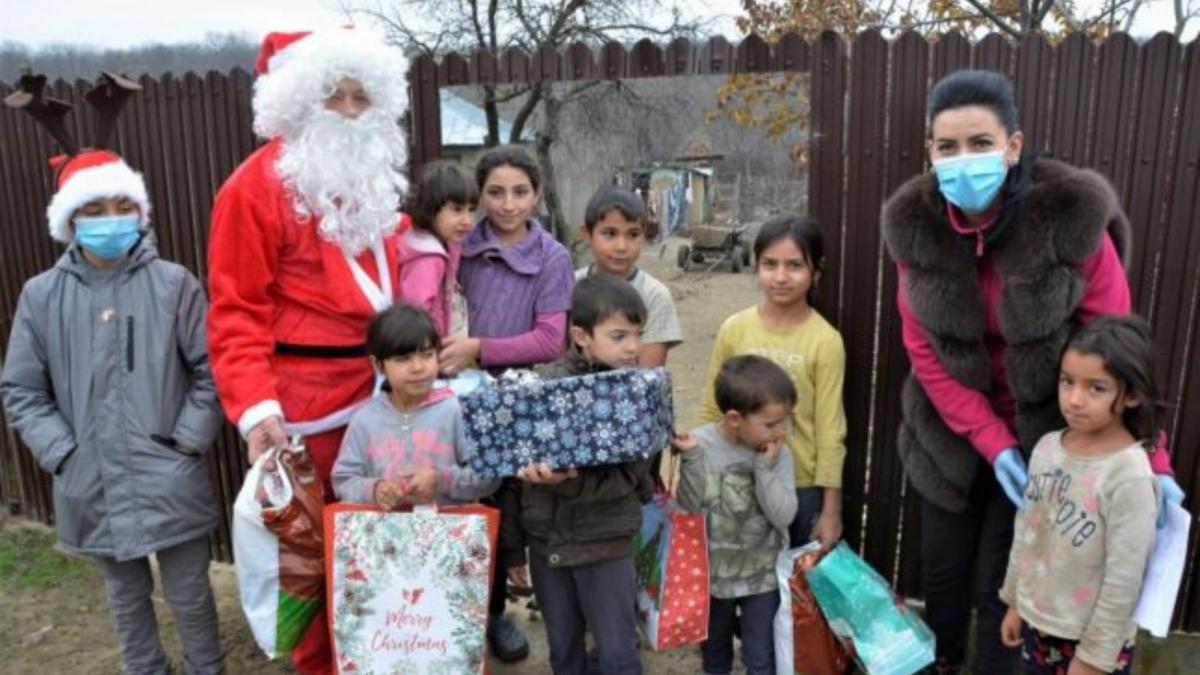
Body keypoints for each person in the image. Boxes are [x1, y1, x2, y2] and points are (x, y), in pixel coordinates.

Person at [880, 69, 1181, 675]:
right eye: (947, 147)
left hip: (1050, 440)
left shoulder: (1069, 222)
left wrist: (1153, 458)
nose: (963, 160)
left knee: (1007, 588)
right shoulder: (917, 230)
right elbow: (927, 357)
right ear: (930, 152)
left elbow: (1116, 352)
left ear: (1013, 146)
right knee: (941, 579)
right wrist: (989, 441)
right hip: (949, 433)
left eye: (980, 143)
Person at [205, 28, 410, 674]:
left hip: (385, 397)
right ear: (297, 102)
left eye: (360, 97)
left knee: (383, 548)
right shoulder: (251, 189)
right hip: (308, 414)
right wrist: (256, 408)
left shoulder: (374, 181)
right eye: (333, 96)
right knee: (315, 566)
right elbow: (235, 312)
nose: (349, 111)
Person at [1, 149, 224, 675]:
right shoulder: (41, 296)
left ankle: (207, 668)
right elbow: (21, 388)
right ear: (70, 219)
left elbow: (212, 370)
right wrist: (64, 453)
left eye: (123, 207)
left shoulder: (174, 284)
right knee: (125, 598)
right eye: (94, 209)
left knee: (191, 593)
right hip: (91, 477)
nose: (110, 220)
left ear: (140, 212)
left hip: (168, 471)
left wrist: (187, 441)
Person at [441, 145, 574, 661]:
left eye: (520, 192)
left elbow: (550, 340)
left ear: (536, 194)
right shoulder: (460, 246)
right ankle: (465, 612)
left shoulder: (552, 258)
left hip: (519, 399)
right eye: (495, 192)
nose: (508, 204)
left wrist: (479, 348)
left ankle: (507, 613)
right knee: (471, 505)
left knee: (515, 510)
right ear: (479, 195)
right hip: (456, 396)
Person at [501, 275, 655, 674]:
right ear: (581, 336)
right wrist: (514, 549)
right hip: (547, 547)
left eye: (637, 335)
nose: (633, 347)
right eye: (619, 336)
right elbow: (511, 479)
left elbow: (632, 479)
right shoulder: (537, 388)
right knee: (564, 651)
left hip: (606, 546)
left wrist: (570, 482)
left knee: (618, 654)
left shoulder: (638, 393)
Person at [999, 316, 1161, 675]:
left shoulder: (1128, 476)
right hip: (1038, 626)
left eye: (1096, 388)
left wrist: (1092, 657)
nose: (1074, 399)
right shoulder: (1046, 449)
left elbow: (1125, 578)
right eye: (1067, 381)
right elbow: (1027, 531)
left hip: (1093, 642)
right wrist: (1015, 602)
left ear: (1132, 395)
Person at [699, 215, 847, 551]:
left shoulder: (825, 341)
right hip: (735, 477)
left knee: (790, 578)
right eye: (770, 264)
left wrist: (830, 510)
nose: (780, 277)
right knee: (736, 575)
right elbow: (712, 408)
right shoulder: (734, 329)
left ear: (816, 271)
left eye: (794, 265)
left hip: (800, 486)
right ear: (756, 266)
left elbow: (830, 430)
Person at [674, 355, 798, 675]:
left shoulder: (777, 454)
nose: (779, 432)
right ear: (734, 419)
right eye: (770, 424)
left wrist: (765, 469)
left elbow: (783, 516)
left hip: (762, 577)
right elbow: (688, 507)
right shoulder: (701, 445)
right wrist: (691, 460)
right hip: (711, 578)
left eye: (783, 422)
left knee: (761, 657)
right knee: (715, 653)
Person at [331, 304, 498, 506]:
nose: (418, 367)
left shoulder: (457, 411)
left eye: (427, 355)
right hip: (383, 526)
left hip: (449, 524)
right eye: (403, 359)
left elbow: (490, 476)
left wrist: (441, 479)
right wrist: (375, 489)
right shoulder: (364, 420)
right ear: (378, 365)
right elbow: (343, 481)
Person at [575, 184, 683, 367]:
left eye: (633, 234)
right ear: (587, 234)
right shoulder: (569, 286)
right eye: (610, 234)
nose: (622, 246)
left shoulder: (654, 296)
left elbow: (646, 374)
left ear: (644, 235)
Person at [396, 160, 478, 339]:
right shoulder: (427, 259)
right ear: (430, 209)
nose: (467, 220)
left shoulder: (446, 244)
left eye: (471, 210)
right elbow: (415, 316)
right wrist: (431, 347)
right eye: (457, 210)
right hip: (423, 347)